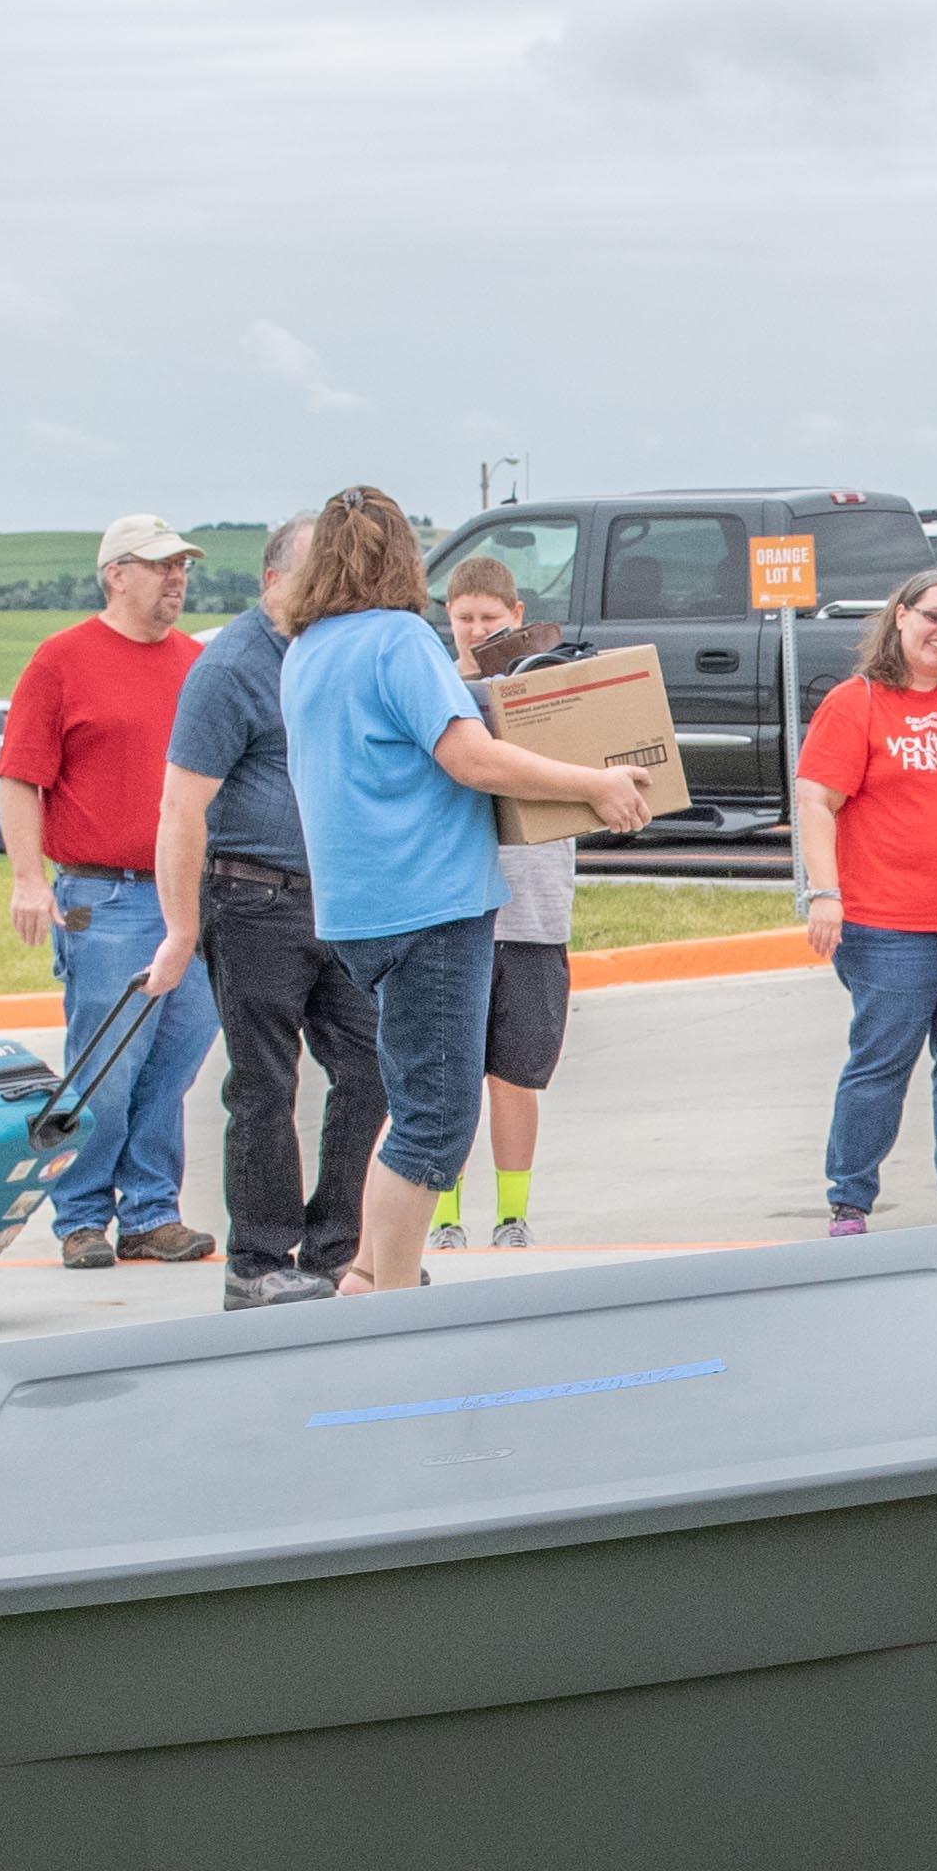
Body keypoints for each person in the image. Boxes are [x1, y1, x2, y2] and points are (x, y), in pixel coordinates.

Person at [274, 488, 652, 1293]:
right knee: (435, 1121)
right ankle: (396, 1299)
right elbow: (470, 758)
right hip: (431, 903)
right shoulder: (399, 640)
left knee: (409, 1098)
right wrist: (595, 783)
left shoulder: (307, 648)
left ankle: (369, 1274)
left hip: (356, 909)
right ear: (401, 559)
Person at [145, 514, 375, 1310]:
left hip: (338, 901)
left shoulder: (332, 655)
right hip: (251, 899)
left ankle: (339, 1247)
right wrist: (180, 928)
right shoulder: (232, 667)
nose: (338, 593)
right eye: (321, 578)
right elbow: (181, 807)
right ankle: (258, 1259)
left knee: (371, 1067)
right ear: (275, 582)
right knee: (265, 1083)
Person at [0, 514, 219, 1269]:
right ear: (115, 574)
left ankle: (152, 1211)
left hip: (188, 896)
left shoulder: (198, 665)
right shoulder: (62, 661)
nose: (176, 579)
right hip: (106, 897)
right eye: (160, 566)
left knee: (177, 1057)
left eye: (181, 566)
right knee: (107, 1062)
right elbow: (21, 776)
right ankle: (81, 1215)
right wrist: (29, 878)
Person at [792, 567, 937, 1238]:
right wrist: (824, 892)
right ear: (899, 616)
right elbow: (815, 801)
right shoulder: (855, 702)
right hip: (888, 926)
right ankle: (850, 1198)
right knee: (882, 1061)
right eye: (932, 616)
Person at [433, 559, 576, 1250]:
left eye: (490, 619)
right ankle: (443, 1214)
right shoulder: (433, 692)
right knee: (448, 1072)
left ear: (516, 616)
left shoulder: (549, 694)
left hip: (534, 906)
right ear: (447, 619)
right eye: (464, 618)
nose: (477, 630)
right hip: (455, 909)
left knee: (515, 1072)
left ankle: (512, 1213)